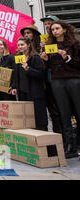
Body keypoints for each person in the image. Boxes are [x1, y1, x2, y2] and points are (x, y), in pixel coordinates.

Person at [40, 21, 80, 159]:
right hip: (57, 81)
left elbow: (78, 63)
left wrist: (67, 57)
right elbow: (50, 66)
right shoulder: (51, 46)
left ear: (64, 29)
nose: (55, 31)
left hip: (73, 79)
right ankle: (70, 146)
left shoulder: (74, 44)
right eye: (52, 29)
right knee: (64, 113)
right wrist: (45, 60)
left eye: (57, 28)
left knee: (78, 111)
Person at [11, 37, 48, 132]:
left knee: (38, 118)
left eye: (22, 44)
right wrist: (14, 86)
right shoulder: (18, 58)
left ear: (28, 45)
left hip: (34, 92)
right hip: (23, 91)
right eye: (18, 45)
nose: (20, 47)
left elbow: (41, 74)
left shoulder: (35, 57)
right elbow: (16, 74)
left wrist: (28, 69)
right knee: (27, 118)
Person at [39, 16, 62, 134]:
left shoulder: (62, 40)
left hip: (62, 77)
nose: (47, 26)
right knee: (53, 108)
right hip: (49, 78)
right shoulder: (44, 40)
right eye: (46, 24)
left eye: (50, 23)